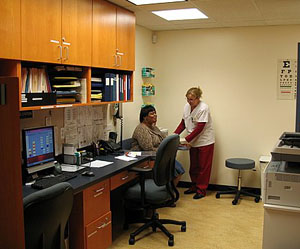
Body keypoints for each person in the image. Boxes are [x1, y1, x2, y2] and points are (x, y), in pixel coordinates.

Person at [174, 87, 215, 200]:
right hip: (192, 141)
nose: (189, 101)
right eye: (188, 99)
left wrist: (186, 140)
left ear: (198, 98)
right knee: (194, 166)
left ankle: (201, 190)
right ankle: (194, 186)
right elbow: (183, 123)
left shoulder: (204, 108)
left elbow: (199, 128)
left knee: (203, 167)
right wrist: (174, 135)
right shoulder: (187, 107)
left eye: (192, 99)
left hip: (204, 141)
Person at [131, 105, 185, 186]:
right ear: (145, 117)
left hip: (158, 155)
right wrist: (165, 152)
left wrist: (177, 144)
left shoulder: (154, 127)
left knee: (179, 170)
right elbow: (148, 148)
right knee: (176, 170)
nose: (155, 115)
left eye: (155, 113)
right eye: (152, 114)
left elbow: (164, 140)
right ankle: (168, 193)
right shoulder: (141, 129)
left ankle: (169, 192)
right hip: (147, 158)